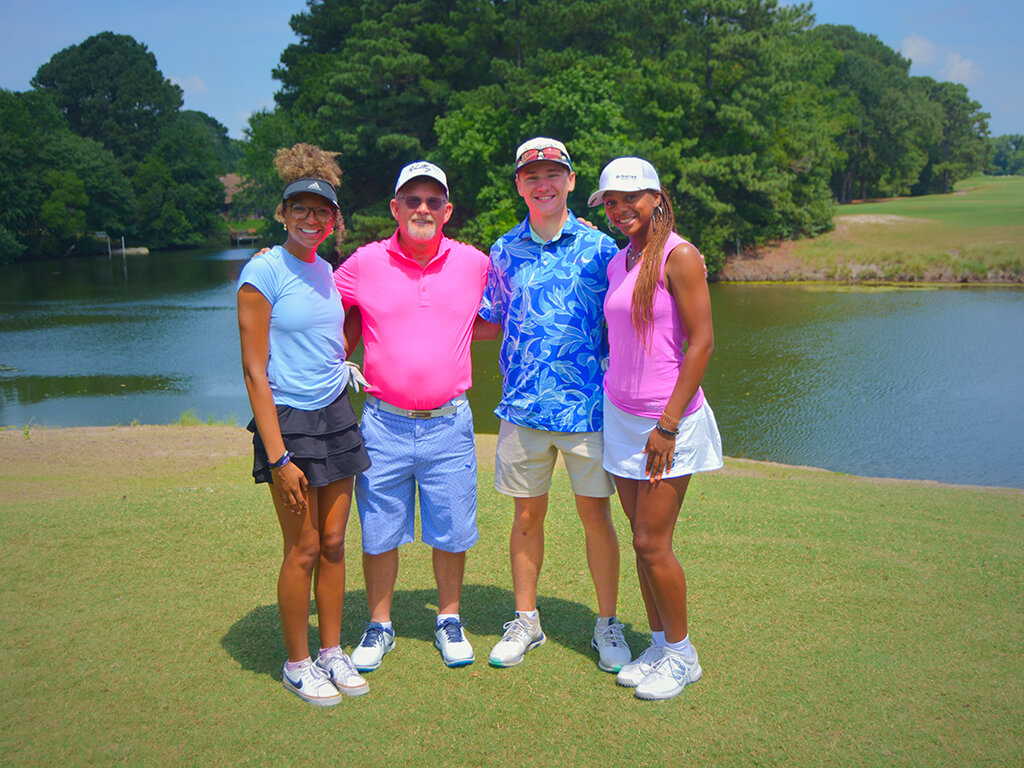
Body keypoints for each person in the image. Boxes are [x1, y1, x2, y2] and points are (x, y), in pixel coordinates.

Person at [478, 137, 632, 672]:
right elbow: (484, 318)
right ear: (519, 185)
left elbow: (634, 309)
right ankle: (526, 620)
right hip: (522, 411)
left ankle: (607, 622)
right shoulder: (502, 251)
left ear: (570, 181)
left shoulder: (602, 249)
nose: (542, 184)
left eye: (552, 174)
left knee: (597, 518)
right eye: (531, 177)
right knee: (526, 517)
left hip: (588, 409)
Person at [334, 161, 490, 672]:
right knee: (379, 532)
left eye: (433, 201)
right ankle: (380, 625)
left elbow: (515, 301)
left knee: (452, 529)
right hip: (383, 422)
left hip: (449, 422)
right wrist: (277, 262)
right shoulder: (364, 262)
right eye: (412, 200)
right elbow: (316, 298)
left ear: (448, 211)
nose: (423, 209)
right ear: (395, 208)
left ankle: (449, 618)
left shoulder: (474, 263)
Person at [237, 143, 372, 706]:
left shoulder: (327, 272)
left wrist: (349, 355)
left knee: (336, 542)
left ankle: (330, 652)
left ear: (334, 220)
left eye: (323, 211)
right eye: (301, 209)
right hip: (289, 422)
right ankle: (297, 663)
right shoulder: (263, 270)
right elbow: (253, 370)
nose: (312, 219)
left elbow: (335, 334)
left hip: (335, 413)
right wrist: (278, 457)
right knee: (304, 547)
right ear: (282, 212)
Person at [588, 156, 723, 700]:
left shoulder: (679, 255)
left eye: (631, 199)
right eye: (612, 202)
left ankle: (682, 655)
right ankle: (661, 644)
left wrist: (667, 424)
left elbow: (703, 342)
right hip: (621, 416)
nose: (621, 210)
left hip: (669, 421)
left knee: (651, 541)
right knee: (642, 542)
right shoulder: (622, 261)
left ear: (657, 197)